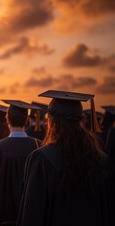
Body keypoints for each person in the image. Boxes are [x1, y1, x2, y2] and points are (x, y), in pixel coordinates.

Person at [18, 90, 114, 225]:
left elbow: (32, 215)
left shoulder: (42, 159)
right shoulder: (102, 160)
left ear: (51, 122)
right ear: (80, 121)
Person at [0, 100, 41, 226]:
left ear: (8, 120)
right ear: (27, 120)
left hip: (4, 212)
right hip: (31, 211)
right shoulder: (38, 145)